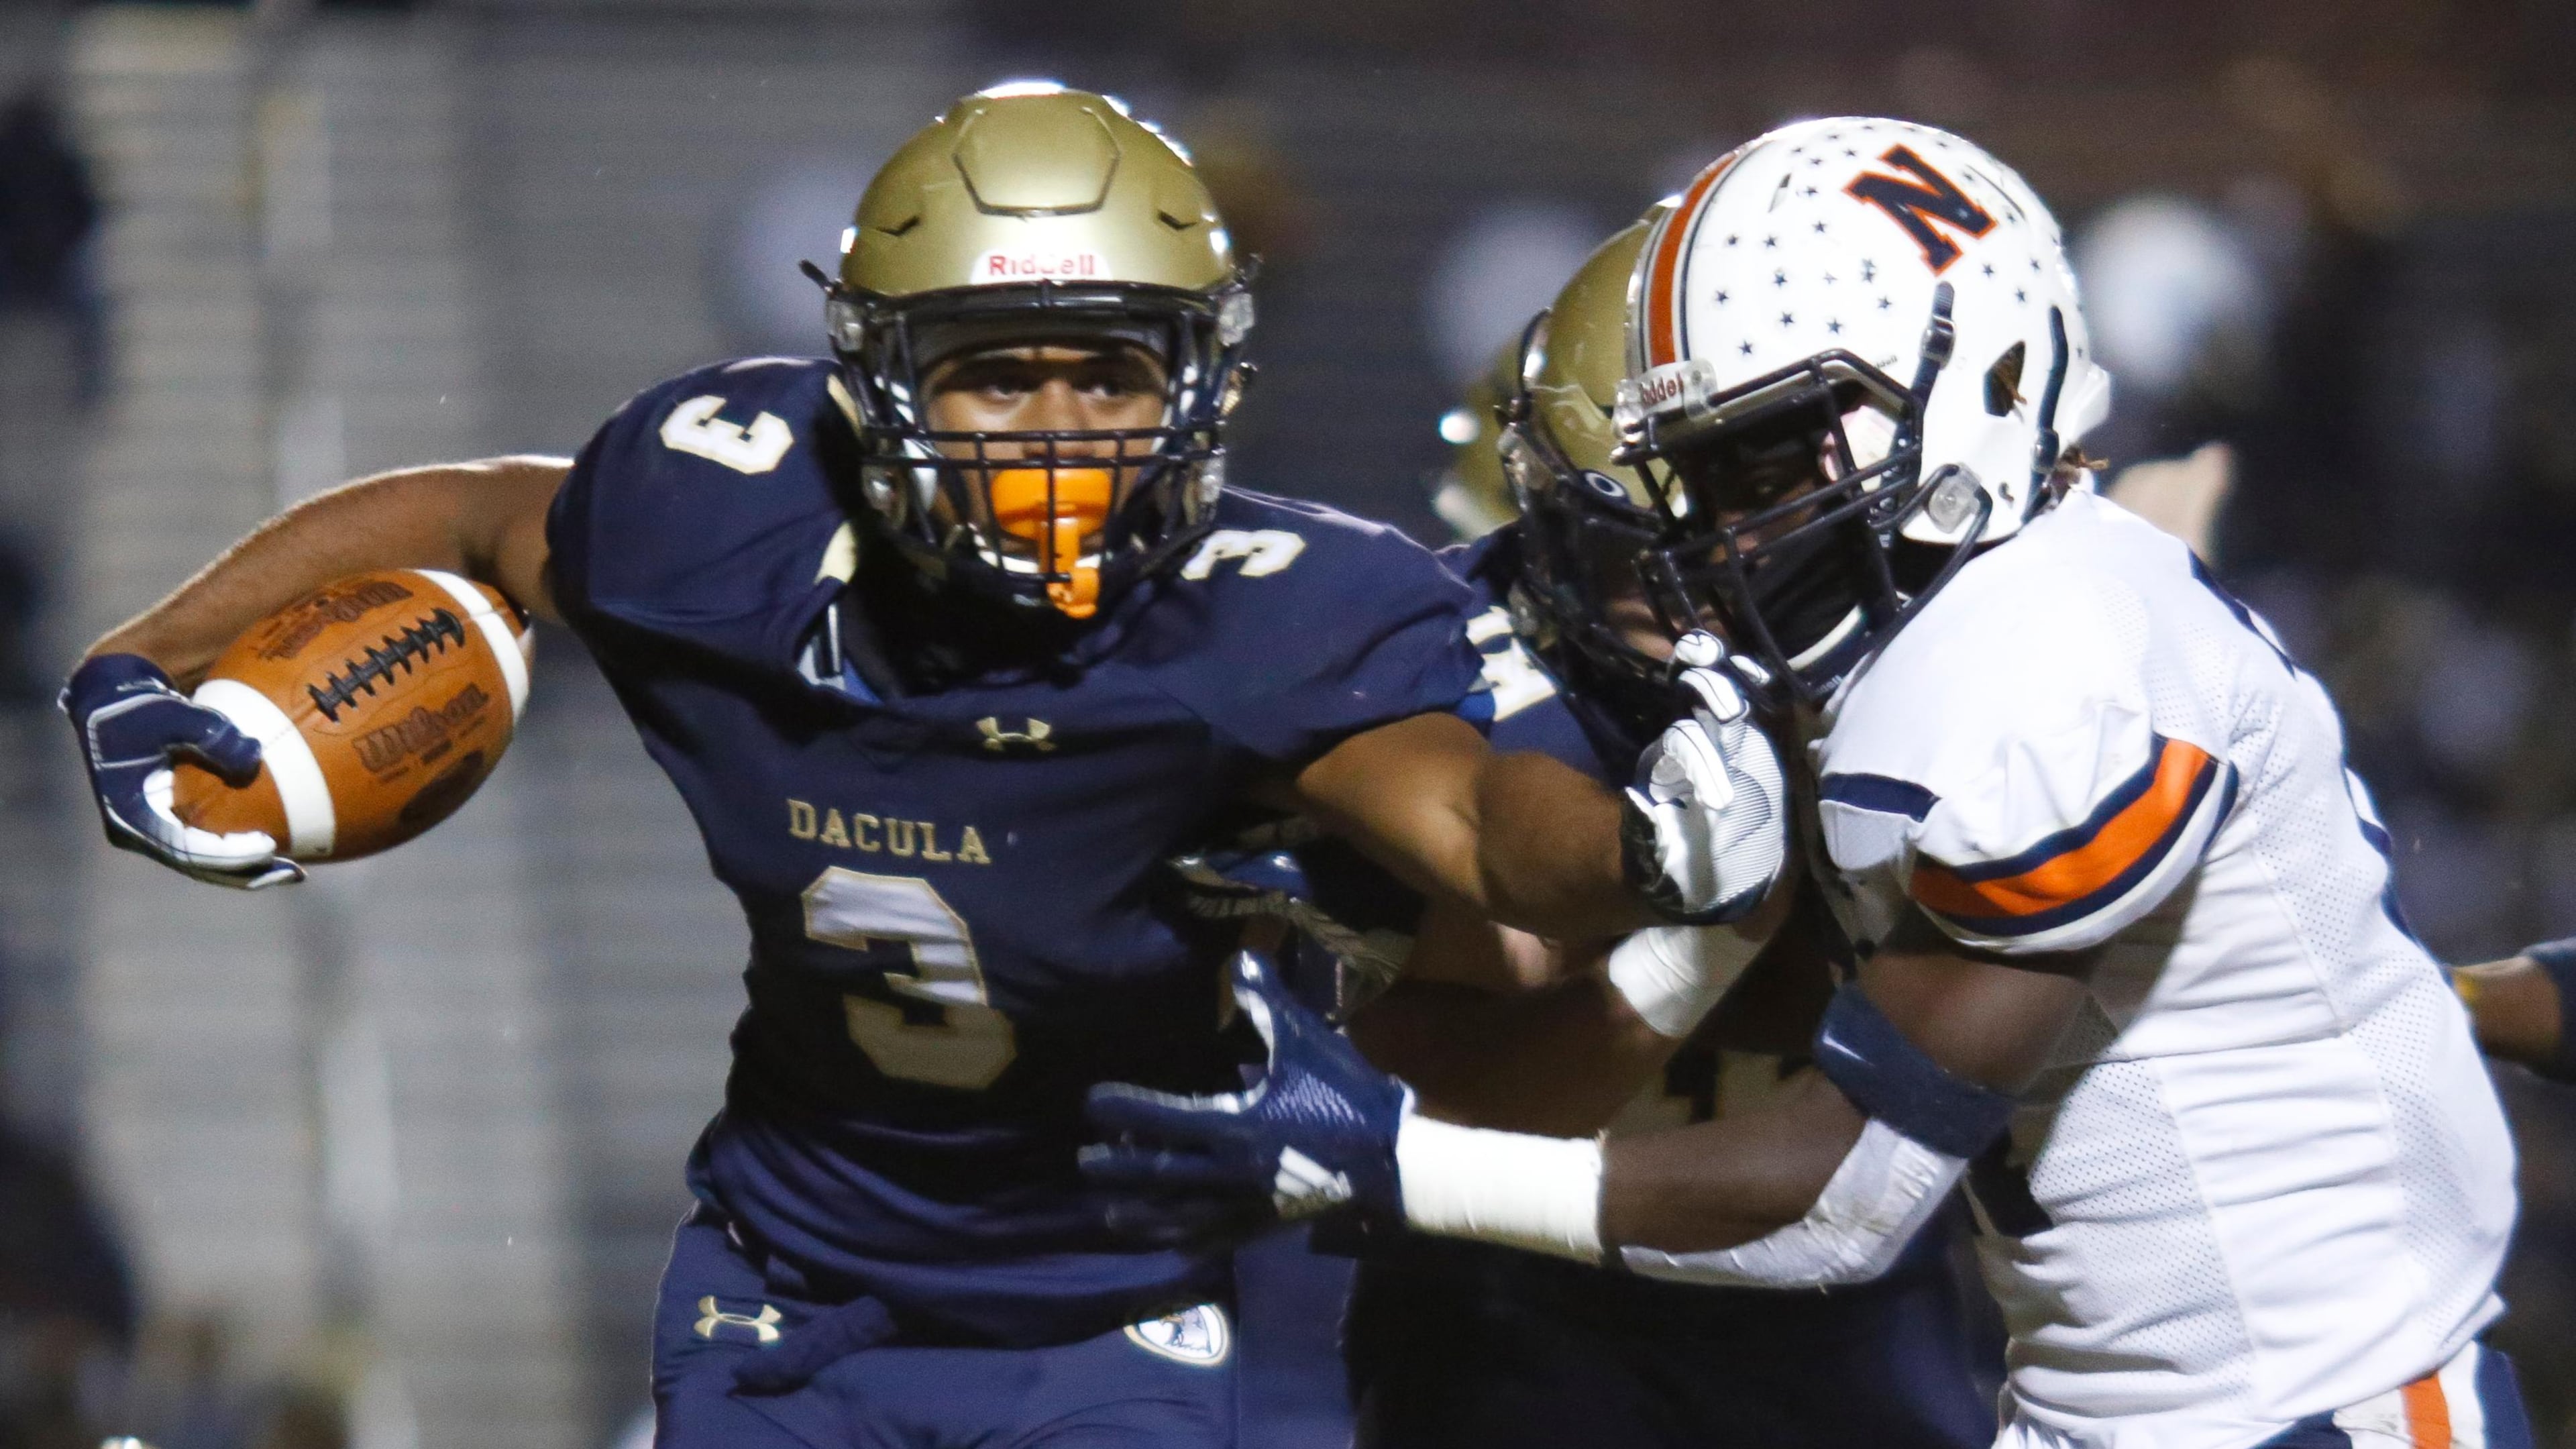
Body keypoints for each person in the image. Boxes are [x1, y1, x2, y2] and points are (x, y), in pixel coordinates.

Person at [56, 86, 1791, 1448]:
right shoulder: (717, 516)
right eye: (999, 377)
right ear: (880, 385)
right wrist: (140, 664)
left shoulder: (1271, 615)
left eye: (1107, 375)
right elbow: (463, 518)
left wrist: (1650, 850)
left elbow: (1494, 835)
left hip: (1111, 1314)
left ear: (1201, 387)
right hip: (788, 1283)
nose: (1058, 436)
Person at [1085, 118, 2532, 1448]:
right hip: (2127, 1397)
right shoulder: (1973, 624)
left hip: (2298, 1406)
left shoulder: (2035, 666)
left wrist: (1408, 1167)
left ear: (1987, 373)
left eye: (1768, 455)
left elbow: (1838, 1207)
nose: (1723, 534)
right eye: (1704, 475)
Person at [1212, 212, 1999, 1448]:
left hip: (1838, 1275)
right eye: (1636, 544)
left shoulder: (1948, 647)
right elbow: (1437, 1091)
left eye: (1726, 529)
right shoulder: (1450, 691)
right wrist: (1714, 922)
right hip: (1522, 1285)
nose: (1688, 596)